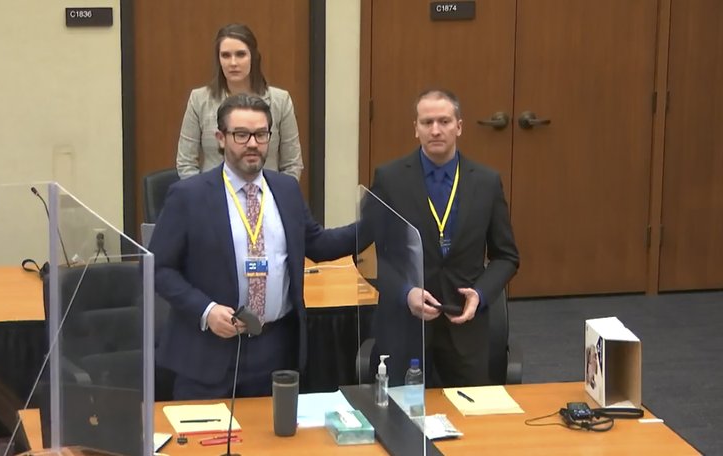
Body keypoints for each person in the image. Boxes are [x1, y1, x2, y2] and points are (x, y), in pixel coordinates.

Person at [150, 93, 355, 400]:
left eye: (261, 134)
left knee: (271, 432)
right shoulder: (188, 195)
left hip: (274, 349)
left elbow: (317, 243)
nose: (252, 144)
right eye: (241, 134)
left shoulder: (286, 189)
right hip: (208, 353)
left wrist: (373, 225)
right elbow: (158, 268)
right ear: (221, 138)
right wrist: (206, 310)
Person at [369, 89, 520, 387]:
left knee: (471, 413)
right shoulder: (389, 179)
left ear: (459, 126)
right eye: (427, 122)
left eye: (444, 121)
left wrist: (481, 294)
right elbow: (367, 254)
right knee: (401, 411)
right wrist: (405, 292)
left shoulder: (487, 182)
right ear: (416, 128)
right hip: (406, 325)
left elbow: (506, 256)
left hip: (465, 326)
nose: (435, 130)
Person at [176, 23, 303, 180]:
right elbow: (186, 163)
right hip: (214, 193)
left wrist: (276, 193)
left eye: (240, 54)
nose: (233, 63)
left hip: (265, 192)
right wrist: (204, 194)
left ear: (253, 57)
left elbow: (292, 165)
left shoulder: (280, 101)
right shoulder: (199, 100)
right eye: (226, 55)